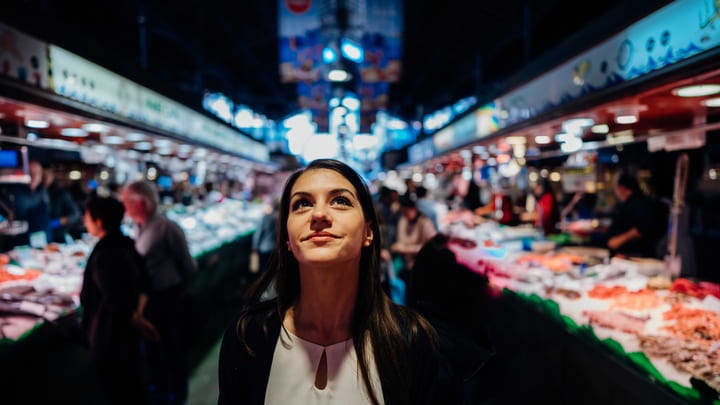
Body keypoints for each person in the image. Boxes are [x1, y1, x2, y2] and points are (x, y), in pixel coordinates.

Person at [218, 159, 443, 405]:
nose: (319, 214)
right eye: (302, 204)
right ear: (287, 238)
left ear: (368, 231)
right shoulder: (248, 336)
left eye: (340, 201)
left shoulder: (412, 339)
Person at [121, 181, 196, 405]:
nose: (124, 207)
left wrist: (179, 292)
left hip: (168, 298)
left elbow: (188, 265)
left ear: (141, 203)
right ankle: (160, 395)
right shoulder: (137, 227)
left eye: (127, 202)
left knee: (172, 351)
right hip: (148, 302)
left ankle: (178, 397)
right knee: (153, 353)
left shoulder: (166, 227)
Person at [80, 196, 158, 405]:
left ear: (98, 221)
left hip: (111, 337)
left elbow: (114, 298)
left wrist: (138, 320)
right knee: (133, 385)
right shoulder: (126, 243)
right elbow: (145, 283)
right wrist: (139, 315)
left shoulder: (105, 253)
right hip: (128, 335)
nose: (84, 221)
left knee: (119, 391)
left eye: (87, 217)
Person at [606, 173, 665, 257]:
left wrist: (617, 241)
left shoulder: (637, 204)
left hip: (635, 256)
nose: (616, 192)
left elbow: (641, 228)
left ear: (621, 188)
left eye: (616, 188)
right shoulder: (644, 201)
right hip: (638, 255)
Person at [391, 195, 437, 273]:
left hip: (421, 263)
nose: (405, 214)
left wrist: (406, 249)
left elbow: (430, 247)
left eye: (407, 211)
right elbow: (400, 241)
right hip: (405, 262)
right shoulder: (403, 220)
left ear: (414, 209)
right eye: (403, 212)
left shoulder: (425, 222)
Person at [43, 165, 81, 243]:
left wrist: (58, 222)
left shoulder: (61, 193)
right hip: (41, 237)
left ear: (52, 175)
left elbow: (75, 214)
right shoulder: (38, 193)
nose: (44, 178)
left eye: (46, 175)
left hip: (59, 237)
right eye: (42, 175)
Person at [252, 199, 278, 275]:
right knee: (271, 272)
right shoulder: (280, 218)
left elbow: (258, 233)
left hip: (264, 248)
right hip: (275, 248)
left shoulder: (266, 217)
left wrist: (254, 246)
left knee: (263, 271)